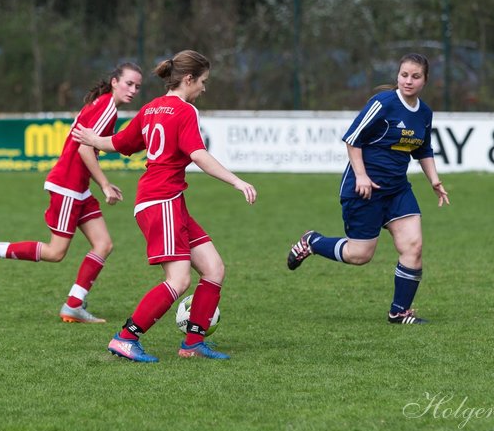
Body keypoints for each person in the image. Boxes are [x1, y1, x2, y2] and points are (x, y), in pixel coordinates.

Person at [72, 49, 257, 362]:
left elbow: (118, 143)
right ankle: (126, 338)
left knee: (213, 268)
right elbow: (198, 155)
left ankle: (193, 343)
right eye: (203, 81)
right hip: (161, 201)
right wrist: (236, 181)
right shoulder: (185, 111)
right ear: (188, 79)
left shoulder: (152, 108)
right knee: (179, 280)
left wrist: (91, 138)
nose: (204, 88)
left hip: (168, 201)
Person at [0, 62, 143, 324]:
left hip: (78, 188)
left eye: (138, 86)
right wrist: (104, 184)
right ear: (115, 81)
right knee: (55, 252)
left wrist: (98, 181)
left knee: (104, 244)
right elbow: (84, 150)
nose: (134, 89)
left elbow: (87, 150)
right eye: (129, 83)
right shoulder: (106, 108)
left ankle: (73, 305)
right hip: (68, 186)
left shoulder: (104, 105)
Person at [285, 52, 449, 324]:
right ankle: (312, 241)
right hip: (365, 188)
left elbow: (423, 148)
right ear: (397, 76)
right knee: (359, 255)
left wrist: (434, 180)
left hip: (397, 190)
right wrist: (361, 175)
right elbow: (352, 138)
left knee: (414, 247)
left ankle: (399, 312)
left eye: (415, 76)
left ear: (425, 80)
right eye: (404, 75)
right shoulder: (383, 103)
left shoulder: (424, 113)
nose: (408, 81)